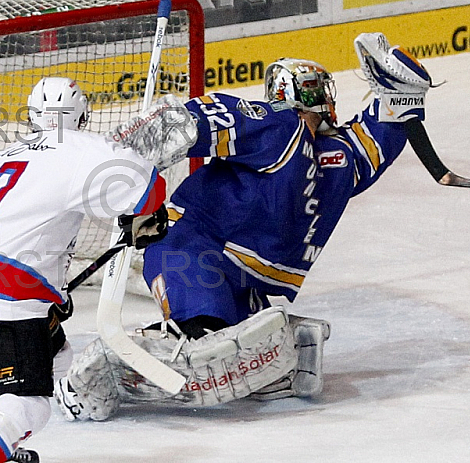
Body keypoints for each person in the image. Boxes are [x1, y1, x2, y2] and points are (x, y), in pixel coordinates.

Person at [54, 32, 434, 420]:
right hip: (190, 248)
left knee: (237, 344)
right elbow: (199, 120)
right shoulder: (280, 126)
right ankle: (105, 372)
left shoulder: (340, 155)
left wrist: (403, 90)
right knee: (205, 337)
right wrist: (119, 156)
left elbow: (387, 125)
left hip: (244, 276)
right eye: (316, 88)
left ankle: (255, 362)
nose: (324, 96)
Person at [0, 77, 170, 463]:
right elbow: (151, 191)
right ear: (81, 115)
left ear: (32, 115)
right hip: (11, 288)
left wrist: (50, 292)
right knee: (31, 406)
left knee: (58, 357)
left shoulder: (4, 154)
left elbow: (23, 220)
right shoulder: (83, 148)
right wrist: (144, 207)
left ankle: (0, 444)